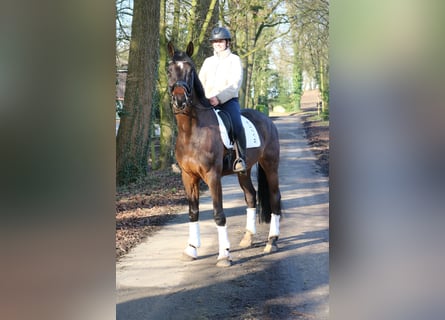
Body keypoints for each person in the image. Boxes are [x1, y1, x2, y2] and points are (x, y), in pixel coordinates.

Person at [199, 27, 247, 174]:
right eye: (215, 41)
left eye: (220, 41)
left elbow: (235, 84)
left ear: (227, 42)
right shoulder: (208, 61)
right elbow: (200, 81)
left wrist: (219, 98)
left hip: (227, 101)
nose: (217, 44)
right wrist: (202, 98)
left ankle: (240, 158)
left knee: (237, 124)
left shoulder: (234, 60)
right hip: (207, 103)